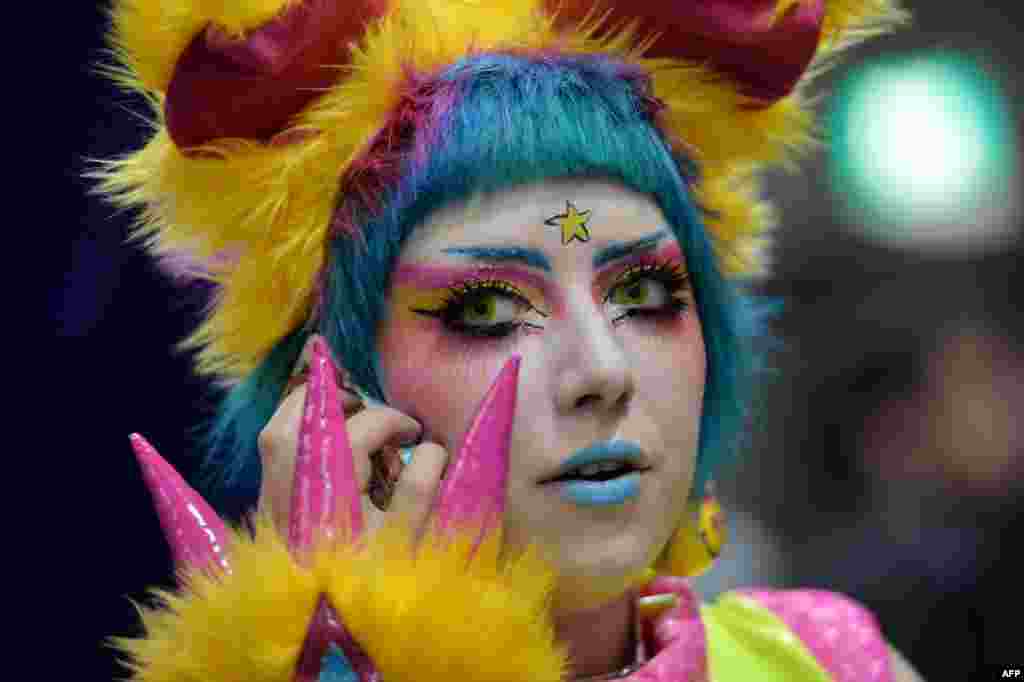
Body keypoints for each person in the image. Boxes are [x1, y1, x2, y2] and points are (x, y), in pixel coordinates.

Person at [96, 0, 925, 679]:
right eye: (488, 311)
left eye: (643, 293)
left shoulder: (829, 662)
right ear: (338, 393)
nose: (601, 372)